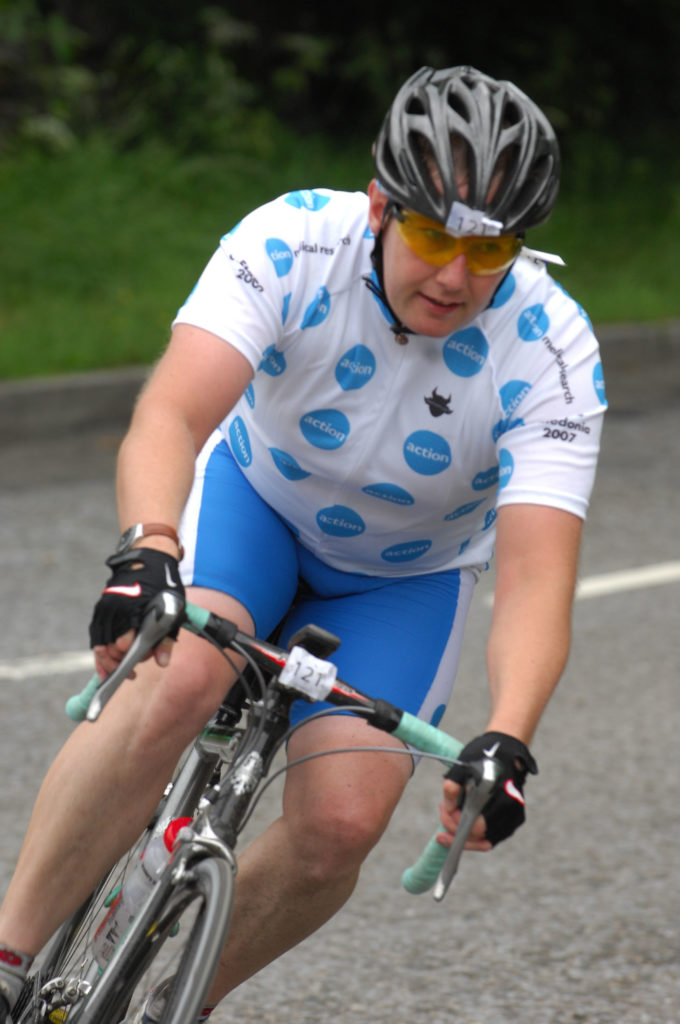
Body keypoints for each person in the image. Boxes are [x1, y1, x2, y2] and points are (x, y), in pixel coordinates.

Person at [0, 65, 607, 1022]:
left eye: (491, 252)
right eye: (434, 234)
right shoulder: (290, 240)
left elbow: (535, 575)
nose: (455, 276)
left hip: (405, 579)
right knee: (183, 676)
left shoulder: (551, 350)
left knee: (342, 823)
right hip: (259, 505)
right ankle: (7, 955)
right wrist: (147, 552)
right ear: (379, 208)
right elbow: (171, 412)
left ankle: (167, 1003)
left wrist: (508, 739)